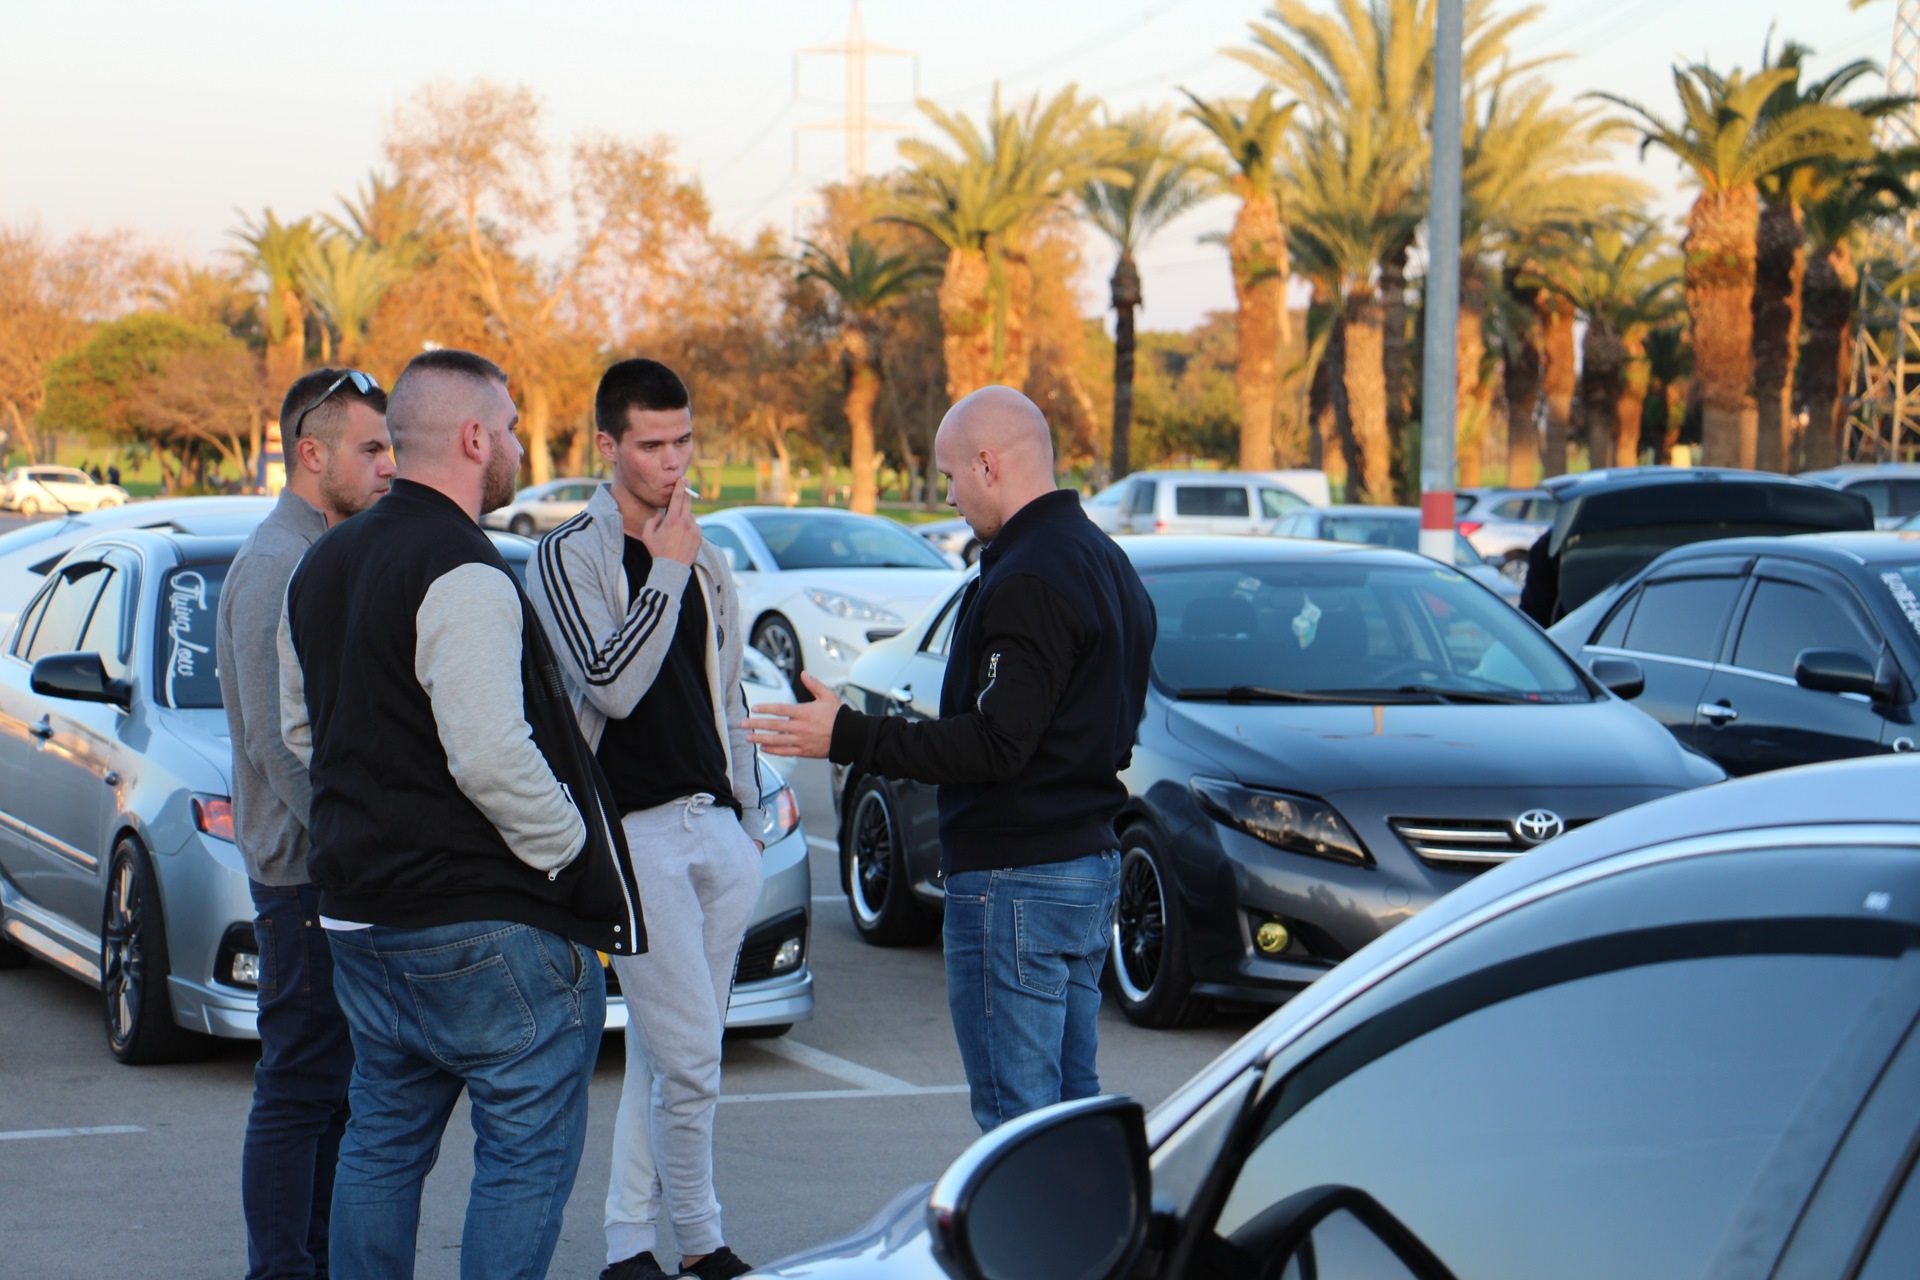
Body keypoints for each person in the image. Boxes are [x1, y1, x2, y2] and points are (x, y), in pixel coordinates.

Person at [278, 348, 644, 1280]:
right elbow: (489, 753)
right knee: (523, 1152)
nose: (522, 442)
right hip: (481, 924)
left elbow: (302, 729)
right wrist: (570, 853)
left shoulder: (321, 564)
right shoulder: (464, 567)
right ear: (475, 437)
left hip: (362, 918)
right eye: (514, 425)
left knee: (382, 1140)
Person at [745, 385, 1155, 1132]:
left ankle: (1027, 1252)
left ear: (989, 465)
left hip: (1017, 880)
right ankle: (1075, 1250)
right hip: (1084, 869)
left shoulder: (1030, 575)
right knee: (1065, 1121)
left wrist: (850, 735)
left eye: (949, 477)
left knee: (1017, 1130)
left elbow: (997, 743)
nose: (949, 496)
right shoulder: (1107, 561)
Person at [527, 359, 765, 1280]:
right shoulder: (568, 555)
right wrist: (662, 571)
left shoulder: (707, 559)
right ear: (608, 447)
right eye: (653, 445)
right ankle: (701, 1238)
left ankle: (630, 1243)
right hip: (633, 837)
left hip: (717, 828)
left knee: (671, 1056)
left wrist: (746, 814)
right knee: (693, 1057)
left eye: (684, 442)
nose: (674, 463)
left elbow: (728, 694)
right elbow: (612, 687)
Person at [217, 367, 395, 1280]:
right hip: (302, 877)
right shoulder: (274, 565)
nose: (387, 468)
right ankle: (280, 1268)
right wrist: (353, 841)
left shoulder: (320, 550)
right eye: (370, 449)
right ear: (311, 452)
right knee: (298, 1089)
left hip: (330, 871)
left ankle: (315, 1261)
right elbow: (274, 743)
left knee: (335, 1095)